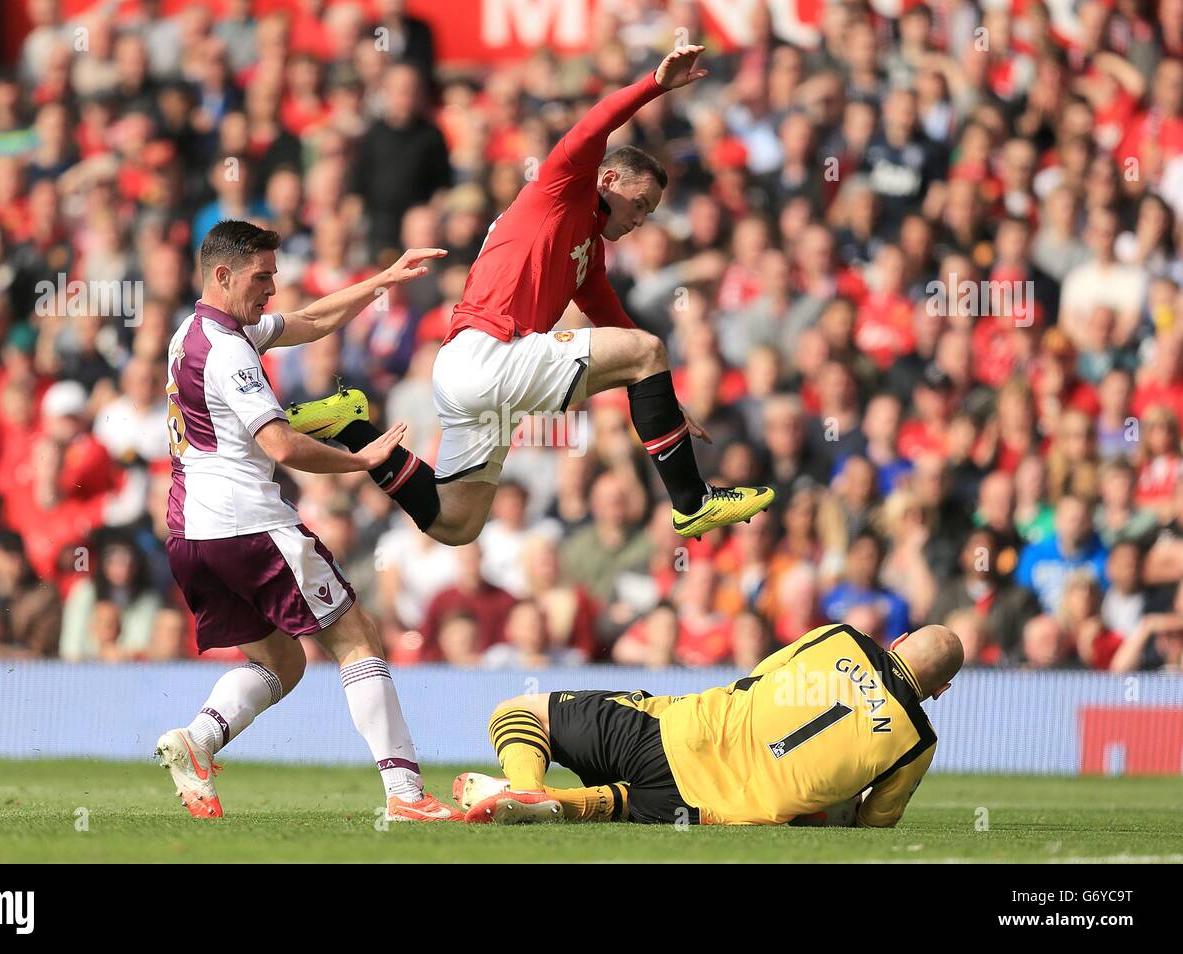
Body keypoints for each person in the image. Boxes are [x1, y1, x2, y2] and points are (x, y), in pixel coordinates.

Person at [285, 46, 774, 545]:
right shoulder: (563, 187)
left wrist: (660, 399)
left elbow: (613, 320)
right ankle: (692, 504)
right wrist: (654, 84)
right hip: (490, 353)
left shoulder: (587, 249)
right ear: (608, 180)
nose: (642, 219)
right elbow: (594, 125)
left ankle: (349, 425)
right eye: (640, 204)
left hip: (467, 373)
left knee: (456, 524)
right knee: (648, 351)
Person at [155, 219, 461, 822]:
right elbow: (284, 448)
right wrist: (362, 459)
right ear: (223, 274)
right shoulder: (230, 351)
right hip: (248, 524)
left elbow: (313, 322)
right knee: (356, 638)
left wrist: (384, 279)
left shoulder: (192, 332)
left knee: (282, 661)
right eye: (261, 277)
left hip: (190, 535)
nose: (272, 289)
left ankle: (197, 742)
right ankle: (405, 796)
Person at [454, 623, 963, 827]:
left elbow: (760, 677)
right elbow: (874, 824)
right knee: (625, 802)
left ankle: (526, 789)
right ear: (941, 690)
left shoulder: (842, 639)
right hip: (710, 810)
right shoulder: (918, 743)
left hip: (679, 734)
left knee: (521, 711)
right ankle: (549, 804)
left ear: (897, 641)